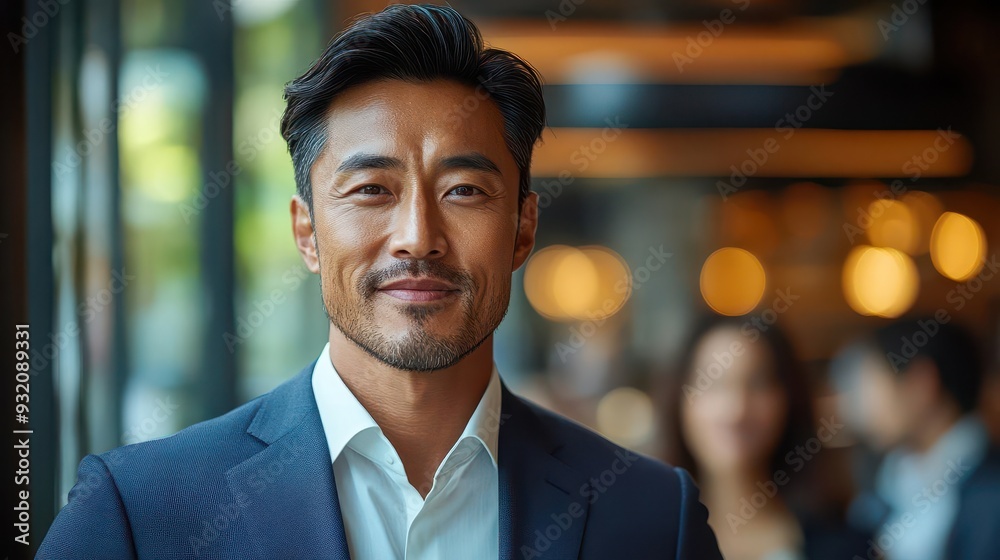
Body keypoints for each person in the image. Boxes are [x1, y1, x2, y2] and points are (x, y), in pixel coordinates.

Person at [37, 5, 721, 559]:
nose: (418, 236)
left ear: (522, 228)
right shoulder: (140, 512)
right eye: (371, 189)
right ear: (306, 232)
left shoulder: (654, 519)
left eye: (463, 190)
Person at [662, 315, 869, 560]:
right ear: (680, 401)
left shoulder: (844, 543)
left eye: (758, 384)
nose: (736, 409)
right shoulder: (644, 540)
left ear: (789, 400)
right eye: (713, 383)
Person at [836, 317, 1000, 560]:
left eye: (870, 384)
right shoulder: (890, 482)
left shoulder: (990, 493)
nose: (861, 407)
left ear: (922, 382)